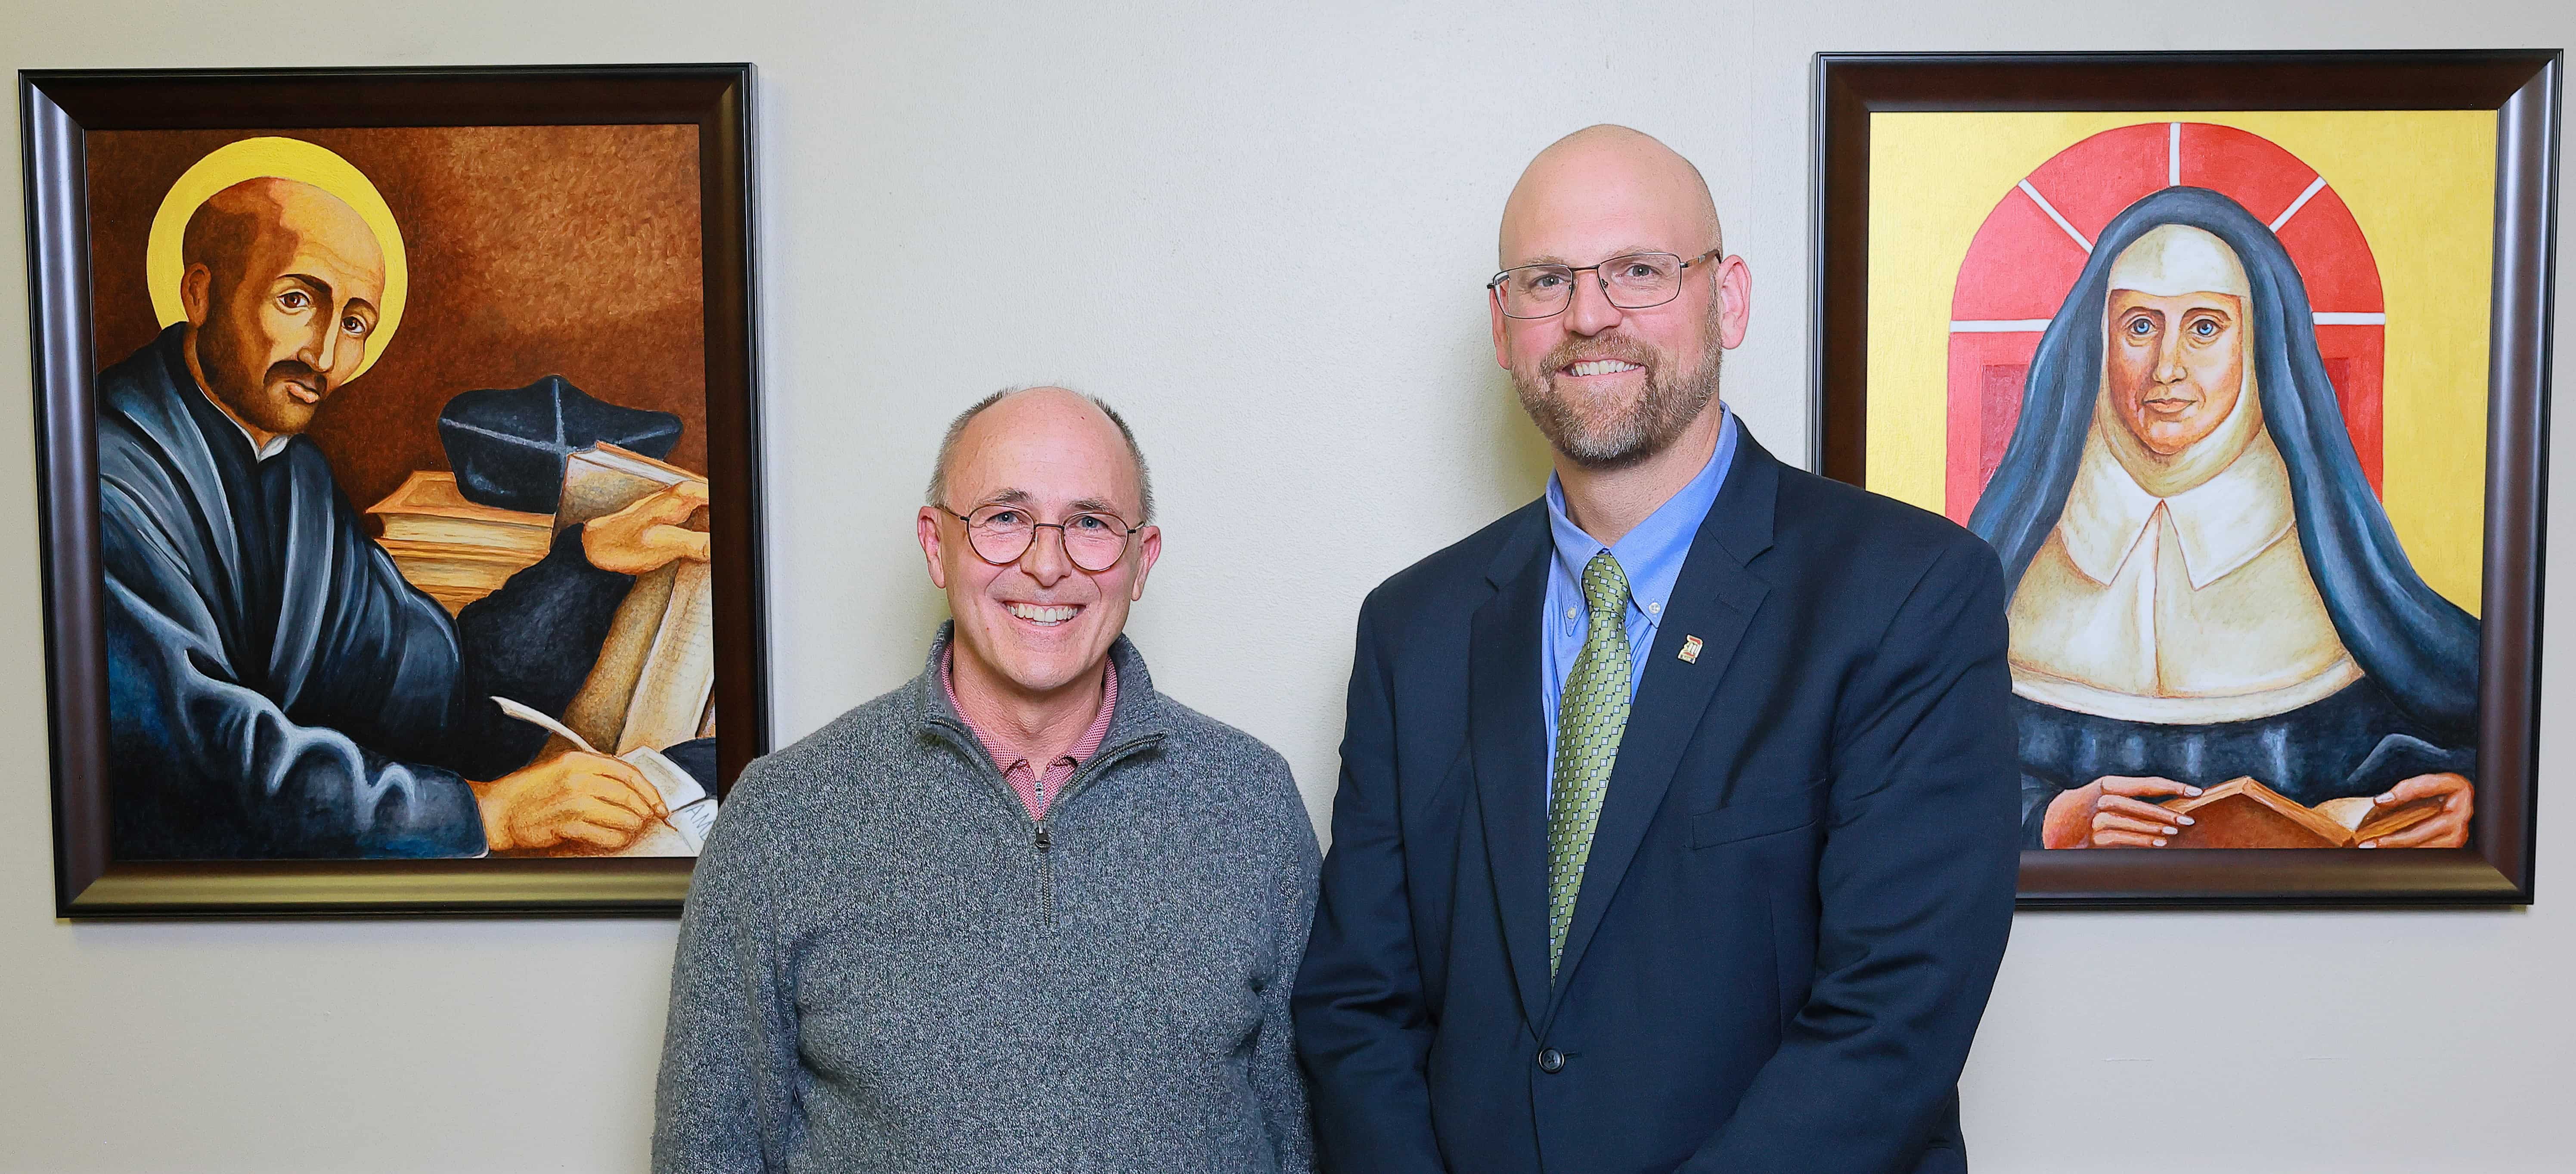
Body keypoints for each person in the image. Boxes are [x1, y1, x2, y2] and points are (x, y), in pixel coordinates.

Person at [1294, 125, 2019, 1174]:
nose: (1589, 315)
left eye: (1639, 270)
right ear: (1504, 328)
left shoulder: (1905, 592)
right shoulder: (1415, 629)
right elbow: (1359, 1007)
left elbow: (1894, 1016)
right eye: (1546, 280)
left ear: (1726, 300)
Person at [654, 387, 1320, 1174]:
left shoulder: (1250, 802)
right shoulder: (782, 818)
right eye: (1004, 518)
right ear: (937, 546)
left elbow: (1306, 1133)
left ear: (1141, 560)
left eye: (1091, 523)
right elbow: (707, 1153)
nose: (1047, 563)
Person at [99, 175, 710, 859]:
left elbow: (429, 685)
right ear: (199, 292)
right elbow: (203, 760)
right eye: (297, 300)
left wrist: (587, 566)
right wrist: (485, 815)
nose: (326, 357)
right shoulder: (106, 476)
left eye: (355, 323)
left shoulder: (296, 473)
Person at [1971, 187, 2479, 851]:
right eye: (2140, 327)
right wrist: (2043, 818)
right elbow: (1908, 775)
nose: (2167, 368)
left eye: (2204, 327)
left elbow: (2493, 735)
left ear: (2258, 344)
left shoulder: (2335, 570)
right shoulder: (2013, 567)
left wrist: (2467, 795)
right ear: (2097, 342)